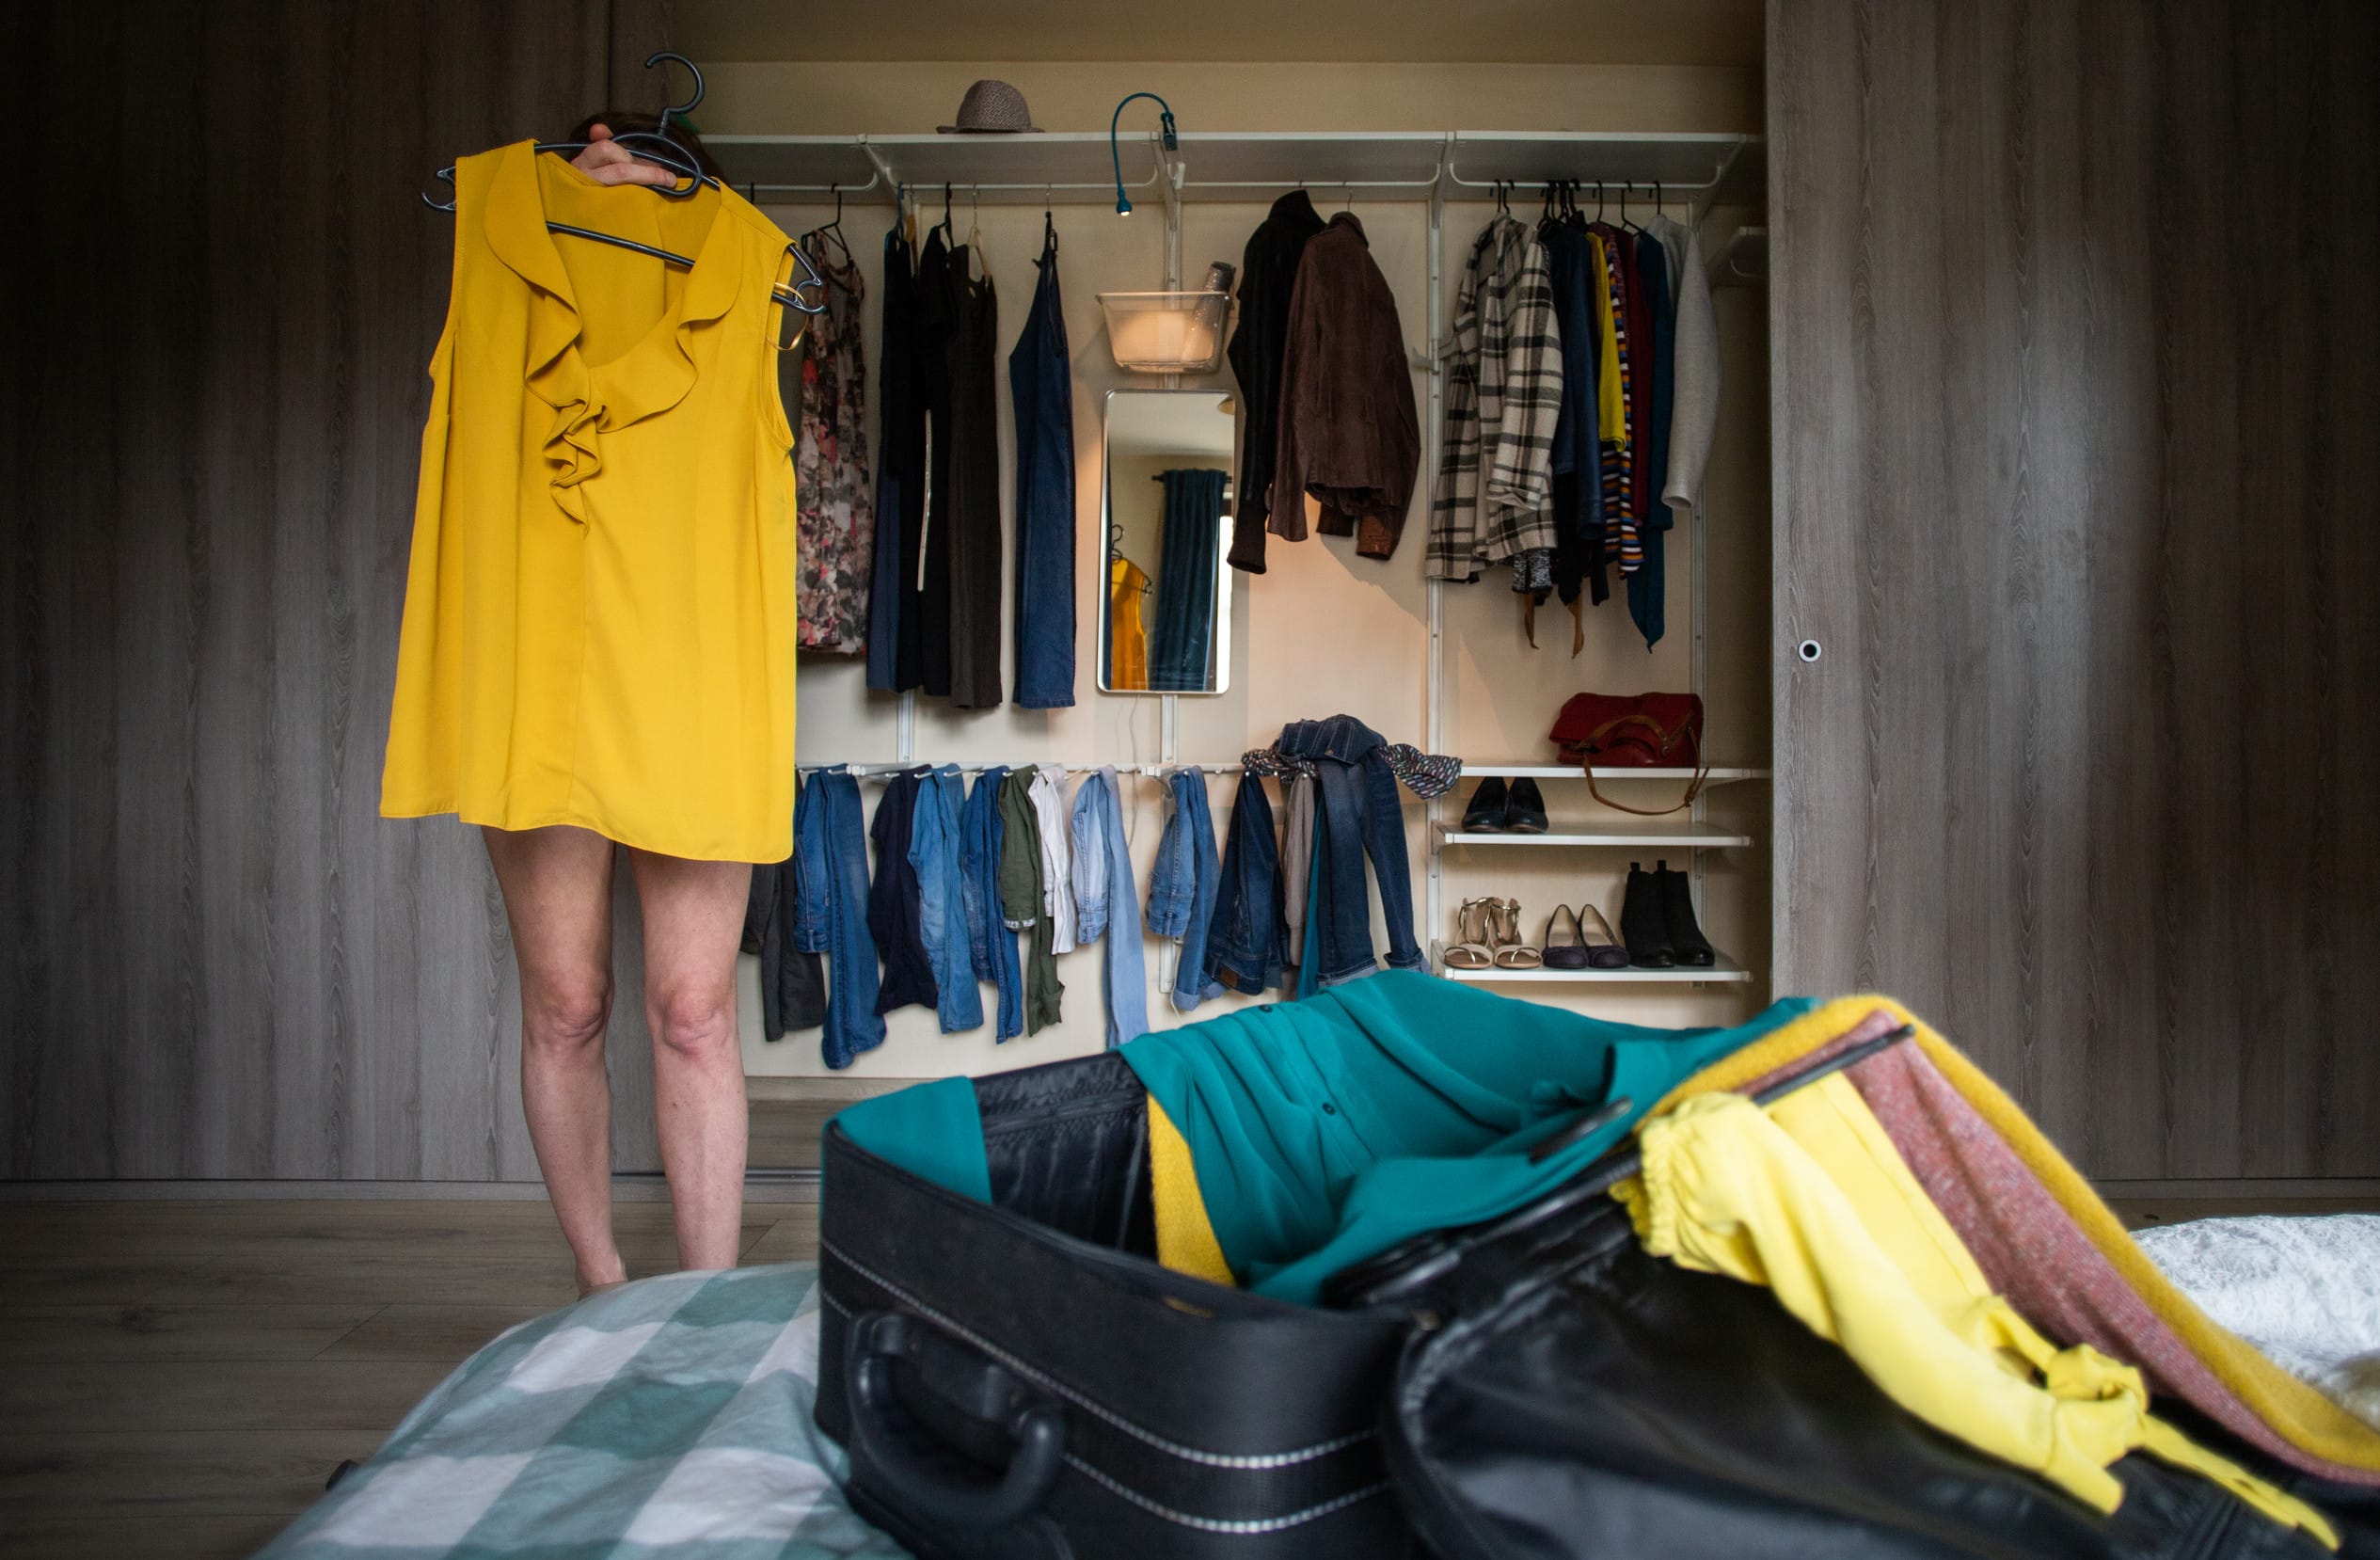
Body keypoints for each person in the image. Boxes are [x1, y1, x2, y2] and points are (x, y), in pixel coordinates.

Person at [477, 118, 749, 1298]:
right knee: (568, 1001)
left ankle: (708, 1304)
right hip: (539, 662)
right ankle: (598, 1283)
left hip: (691, 664)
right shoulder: (494, 247)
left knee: (692, 1008)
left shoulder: (746, 270)